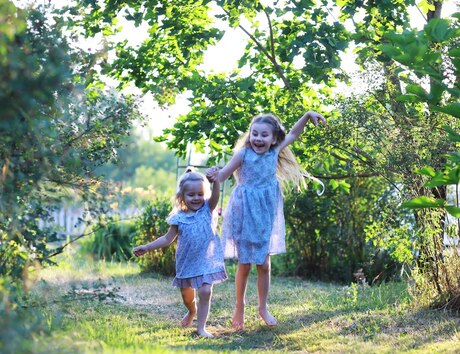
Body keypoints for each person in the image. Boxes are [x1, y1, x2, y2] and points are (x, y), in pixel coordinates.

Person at [207, 111, 326, 330]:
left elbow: (293, 134)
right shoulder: (242, 154)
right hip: (243, 211)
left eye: (264, 135)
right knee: (245, 263)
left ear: (273, 139)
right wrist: (214, 176)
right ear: (249, 135)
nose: (258, 139)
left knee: (263, 263)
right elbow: (223, 175)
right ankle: (239, 307)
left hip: (264, 214)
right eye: (255, 134)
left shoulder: (274, 152)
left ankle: (263, 307)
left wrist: (308, 115)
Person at [133, 168, 226, 338]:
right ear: (182, 197)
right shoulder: (179, 217)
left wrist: (217, 181)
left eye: (200, 194)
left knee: (205, 292)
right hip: (186, 262)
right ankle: (192, 311)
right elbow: (167, 239)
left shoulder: (207, 209)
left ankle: (201, 328)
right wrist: (147, 247)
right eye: (191, 195)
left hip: (207, 260)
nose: (196, 198)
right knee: (187, 297)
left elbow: (215, 197)